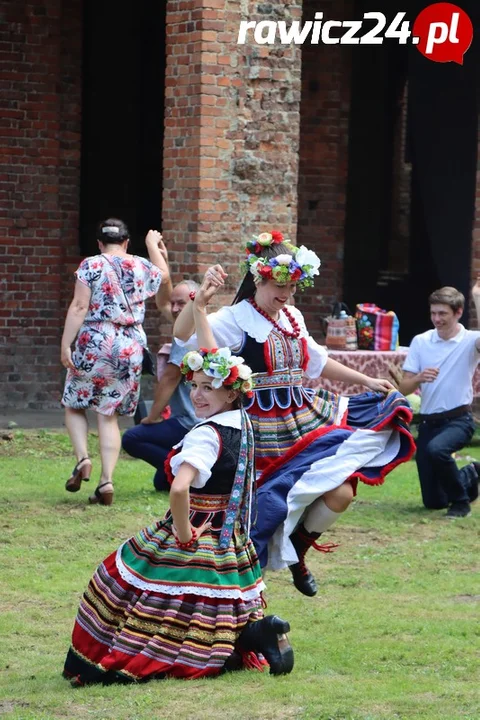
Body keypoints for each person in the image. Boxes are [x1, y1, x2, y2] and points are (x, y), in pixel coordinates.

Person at [174, 230, 415, 596]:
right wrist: (200, 306)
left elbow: (318, 362)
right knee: (263, 509)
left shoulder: (292, 317)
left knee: (343, 491)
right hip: (260, 428)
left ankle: (298, 552)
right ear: (258, 278)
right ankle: (238, 590)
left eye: (292, 288)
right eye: (278, 287)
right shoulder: (235, 319)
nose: (285, 296)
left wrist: (366, 380)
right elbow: (183, 338)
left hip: (304, 418)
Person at [62, 348, 293, 685]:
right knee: (219, 603)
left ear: (231, 393)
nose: (197, 395)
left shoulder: (206, 434)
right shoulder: (242, 425)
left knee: (126, 584)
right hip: (228, 536)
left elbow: (180, 489)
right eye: (195, 385)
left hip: (196, 526)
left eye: (207, 388)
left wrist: (183, 534)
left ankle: (172, 652)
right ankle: (259, 633)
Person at [60, 218, 171, 505]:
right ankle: (106, 481)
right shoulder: (141, 265)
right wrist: (152, 246)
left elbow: (80, 306)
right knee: (108, 415)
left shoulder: (90, 264)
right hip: (129, 345)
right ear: (126, 242)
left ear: (99, 243)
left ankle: (83, 458)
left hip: (95, 340)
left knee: (75, 404)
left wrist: (65, 344)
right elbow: (164, 275)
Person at [399, 284, 480, 518]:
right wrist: (419, 378)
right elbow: (403, 387)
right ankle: (471, 473)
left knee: (437, 451)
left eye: (442, 313)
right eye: (433, 313)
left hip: (460, 420)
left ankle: (461, 504)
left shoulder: (470, 340)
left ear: (458, 313)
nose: (437, 319)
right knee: (433, 501)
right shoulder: (421, 342)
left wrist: (476, 297)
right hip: (428, 423)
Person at [122, 280, 201, 491]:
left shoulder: (187, 333)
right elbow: (163, 301)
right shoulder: (205, 325)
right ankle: (181, 468)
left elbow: (171, 377)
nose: (174, 309)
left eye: (181, 304)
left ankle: (186, 472)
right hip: (197, 421)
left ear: (195, 301)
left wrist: (153, 416)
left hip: (189, 422)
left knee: (132, 438)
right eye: (173, 304)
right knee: (161, 483)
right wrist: (161, 260)